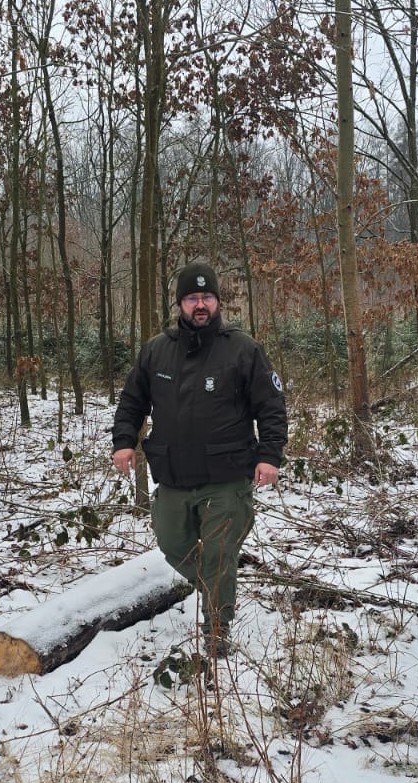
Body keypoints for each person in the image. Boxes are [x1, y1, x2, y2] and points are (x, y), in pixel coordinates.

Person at [112, 262, 287, 655]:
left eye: (207, 297)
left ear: (218, 301)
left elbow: (271, 407)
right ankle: (213, 588)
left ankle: (217, 630)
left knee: (219, 555)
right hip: (174, 474)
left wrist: (269, 455)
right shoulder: (156, 350)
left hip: (227, 475)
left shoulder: (243, 349)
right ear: (180, 304)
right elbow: (132, 402)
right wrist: (124, 442)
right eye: (192, 298)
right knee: (173, 543)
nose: (200, 304)